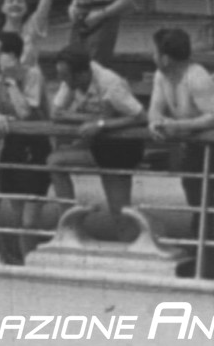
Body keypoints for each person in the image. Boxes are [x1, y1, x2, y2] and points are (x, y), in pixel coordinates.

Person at [148, 27, 214, 278]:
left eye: (155, 52)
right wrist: (155, 123)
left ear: (165, 58)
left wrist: (178, 126)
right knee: (195, 190)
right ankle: (205, 251)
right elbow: (155, 107)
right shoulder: (162, 76)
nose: (152, 56)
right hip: (194, 141)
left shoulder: (196, 76)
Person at [0, 30, 52, 264]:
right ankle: (17, 261)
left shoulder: (32, 75)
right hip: (13, 144)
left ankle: (30, 262)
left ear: (12, 56)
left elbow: (25, 112)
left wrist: (11, 82)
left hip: (36, 145)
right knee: (13, 213)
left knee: (29, 219)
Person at [48, 47, 146, 225]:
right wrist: (93, 118)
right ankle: (70, 222)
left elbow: (140, 116)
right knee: (55, 161)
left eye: (66, 76)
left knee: (120, 214)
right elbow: (56, 113)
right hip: (95, 146)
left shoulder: (110, 83)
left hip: (120, 149)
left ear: (82, 74)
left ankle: (146, 237)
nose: (62, 81)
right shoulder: (71, 80)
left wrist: (101, 124)